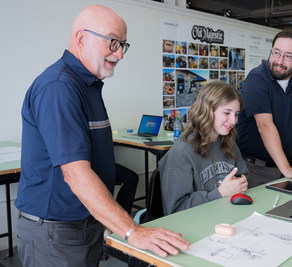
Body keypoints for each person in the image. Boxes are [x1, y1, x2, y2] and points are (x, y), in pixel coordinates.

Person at [15, 5, 189, 267]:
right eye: (112, 43)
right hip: (56, 235)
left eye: (123, 45)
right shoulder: (59, 87)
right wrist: (132, 231)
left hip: (84, 227)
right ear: (82, 38)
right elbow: (75, 173)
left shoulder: (88, 85)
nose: (119, 54)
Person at [236, 30, 292, 188]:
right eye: (276, 53)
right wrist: (287, 169)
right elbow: (264, 125)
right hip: (254, 168)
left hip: (281, 166)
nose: (279, 61)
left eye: (287, 56)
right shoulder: (257, 79)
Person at [159, 81, 248, 215]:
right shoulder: (182, 152)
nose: (233, 121)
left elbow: (243, 177)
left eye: (236, 114)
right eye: (227, 113)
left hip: (225, 216)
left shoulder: (229, 144)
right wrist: (220, 193)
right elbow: (176, 209)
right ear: (207, 111)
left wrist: (240, 184)